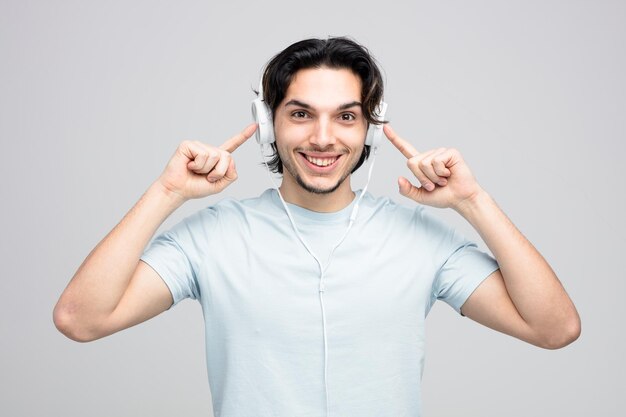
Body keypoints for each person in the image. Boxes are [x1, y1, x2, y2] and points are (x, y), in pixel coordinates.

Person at [54, 37, 580, 416]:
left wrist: (473, 201)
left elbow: (555, 329)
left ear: (370, 125)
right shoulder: (212, 236)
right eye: (301, 114)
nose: (324, 138)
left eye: (346, 117)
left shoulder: (422, 239)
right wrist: (166, 193)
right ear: (269, 124)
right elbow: (80, 319)